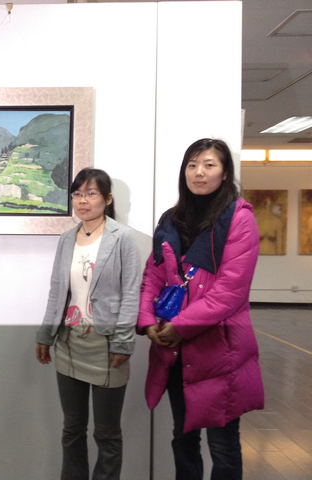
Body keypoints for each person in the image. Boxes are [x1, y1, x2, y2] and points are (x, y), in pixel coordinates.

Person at [137, 138, 264, 480]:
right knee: (183, 438)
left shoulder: (238, 218)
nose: (199, 172)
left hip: (220, 349)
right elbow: (153, 276)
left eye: (209, 165)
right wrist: (148, 322)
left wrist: (179, 326)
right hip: (175, 351)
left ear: (225, 173)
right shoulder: (171, 219)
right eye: (192, 165)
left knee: (222, 447)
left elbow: (230, 292)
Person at [36, 168, 141, 480]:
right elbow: (57, 290)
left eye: (91, 193)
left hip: (106, 344)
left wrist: (123, 342)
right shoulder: (67, 238)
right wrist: (46, 334)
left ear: (107, 199)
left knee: (107, 433)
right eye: (77, 194)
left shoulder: (123, 238)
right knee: (72, 428)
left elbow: (131, 292)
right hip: (69, 341)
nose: (82, 201)